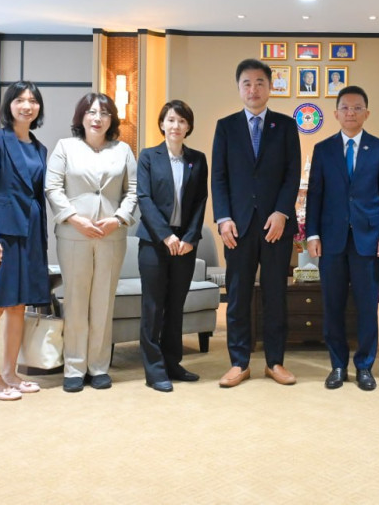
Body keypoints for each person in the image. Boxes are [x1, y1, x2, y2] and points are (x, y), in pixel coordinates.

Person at [211, 59, 301, 387]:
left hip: (276, 226)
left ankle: (275, 362)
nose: (253, 89)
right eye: (247, 83)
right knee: (237, 296)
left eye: (260, 82)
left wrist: (282, 212)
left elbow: (292, 173)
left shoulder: (286, 125)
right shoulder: (226, 126)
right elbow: (219, 177)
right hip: (237, 227)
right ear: (239, 88)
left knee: (275, 295)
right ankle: (239, 362)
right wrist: (223, 219)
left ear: (270, 87)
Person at [45, 92, 137, 393]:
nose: (98, 118)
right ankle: (74, 367)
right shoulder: (65, 147)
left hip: (111, 236)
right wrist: (74, 218)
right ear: (81, 117)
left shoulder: (123, 150)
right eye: (92, 112)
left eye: (104, 113)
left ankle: (98, 366)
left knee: (103, 302)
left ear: (112, 119)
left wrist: (118, 218)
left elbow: (133, 191)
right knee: (75, 300)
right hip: (74, 235)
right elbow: (52, 187)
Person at [306, 86, 379, 391]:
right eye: (345, 107)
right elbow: (315, 194)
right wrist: (312, 233)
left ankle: (365, 366)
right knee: (332, 305)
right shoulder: (323, 149)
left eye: (357, 108)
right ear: (336, 113)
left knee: (367, 306)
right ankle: (338, 365)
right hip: (331, 239)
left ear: (366, 113)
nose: (351, 113)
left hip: (368, 239)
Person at [0, 81, 51, 401]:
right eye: (19, 100)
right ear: (9, 105)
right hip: (1, 234)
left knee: (18, 307)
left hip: (30, 233)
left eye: (33, 101)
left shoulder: (39, 148)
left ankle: (9, 373)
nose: (27, 106)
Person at [135, 100, 208, 393]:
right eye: (171, 120)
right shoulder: (148, 157)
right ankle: (154, 371)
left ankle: (172, 363)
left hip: (185, 243)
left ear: (188, 126)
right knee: (153, 306)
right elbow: (144, 198)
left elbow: (201, 201)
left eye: (182, 121)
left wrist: (189, 238)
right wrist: (166, 236)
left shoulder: (197, 159)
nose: (176, 125)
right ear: (162, 124)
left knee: (176, 305)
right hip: (155, 241)